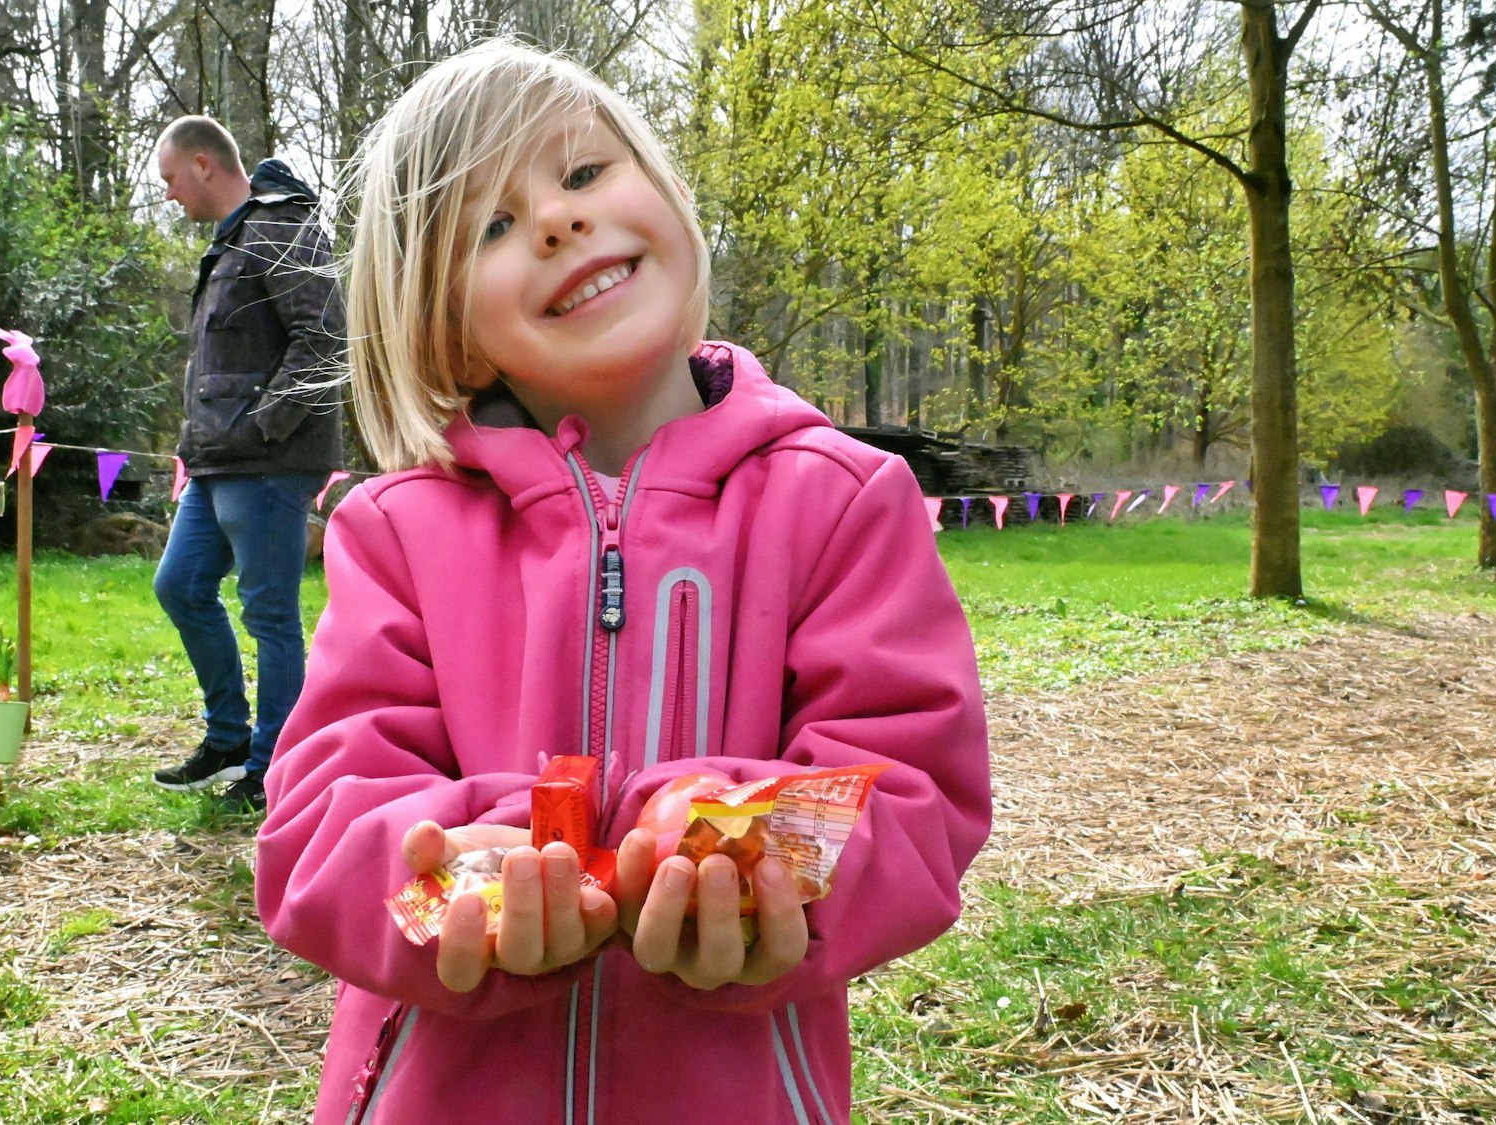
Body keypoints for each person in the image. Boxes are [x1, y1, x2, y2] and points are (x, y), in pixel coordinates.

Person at [255, 40, 990, 1124]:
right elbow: (319, 818)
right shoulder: (397, 531)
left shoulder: (839, 501)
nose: (555, 220)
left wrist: (750, 848)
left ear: (669, 205)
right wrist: (460, 870)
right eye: (492, 228)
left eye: (584, 175)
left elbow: (913, 789)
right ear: (449, 334)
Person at [150, 115, 345, 814]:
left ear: (204, 164)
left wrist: (265, 426)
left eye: (171, 179)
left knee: (269, 615)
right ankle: (229, 739)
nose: (170, 194)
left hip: (266, 460)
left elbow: (323, 338)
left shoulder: (282, 226)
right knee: (179, 586)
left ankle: (275, 766)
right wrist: (199, 442)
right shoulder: (230, 240)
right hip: (215, 462)